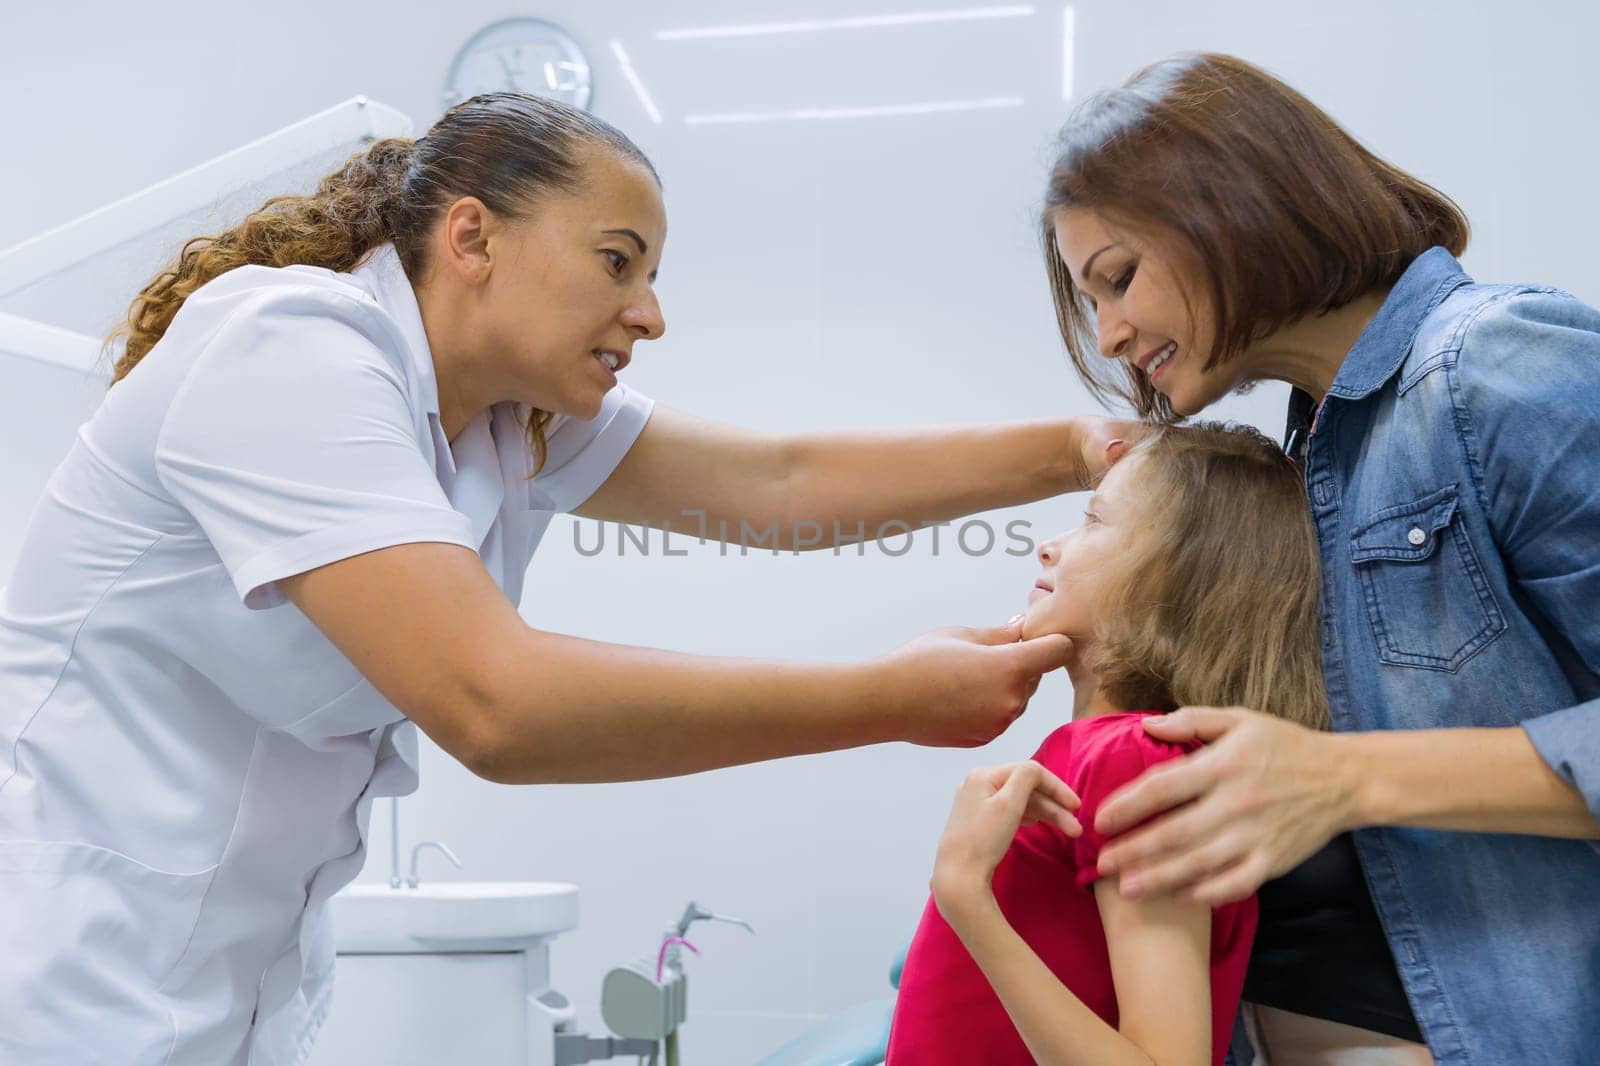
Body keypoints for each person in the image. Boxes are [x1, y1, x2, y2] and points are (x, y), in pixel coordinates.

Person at [0, 93, 1136, 1065]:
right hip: (62, 965)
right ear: (470, 236)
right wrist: (888, 700)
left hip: (225, 984)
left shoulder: (507, 419)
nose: (649, 312)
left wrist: (1075, 451)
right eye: (615, 262)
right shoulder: (287, 348)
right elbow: (497, 707)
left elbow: (779, 485)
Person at [1035, 53, 1599, 1064]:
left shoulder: (1498, 367)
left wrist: (1346, 776)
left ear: (1232, 203)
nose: (1113, 334)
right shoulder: (1312, 459)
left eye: (1118, 279)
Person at [890, 422, 1329, 1066]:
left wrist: (965, 899)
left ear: (1179, 574)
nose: (1048, 547)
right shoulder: (1105, 753)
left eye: (1094, 521)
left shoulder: (1136, 762)